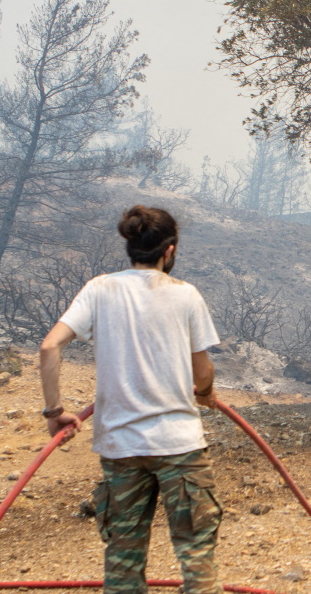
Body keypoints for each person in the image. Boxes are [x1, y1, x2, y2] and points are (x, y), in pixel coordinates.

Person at [39, 205, 224, 594]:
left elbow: (49, 347)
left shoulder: (99, 289)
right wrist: (205, 394)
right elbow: (202, 371)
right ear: (169, 251)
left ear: (131, 245)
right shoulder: (185, 295)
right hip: (179, 446)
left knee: (123, 559)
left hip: (120, 446)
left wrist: (55, 412)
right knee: (196, 557)